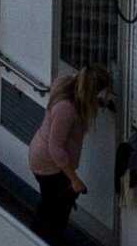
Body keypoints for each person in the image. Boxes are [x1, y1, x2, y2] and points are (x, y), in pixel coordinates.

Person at [27, 62, 105, 236]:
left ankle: (40, 238)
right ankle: (48, 241)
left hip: (43, 156)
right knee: (56, 207)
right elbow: (55, 147)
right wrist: (74, 180)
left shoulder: (64, 84)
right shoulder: (66, 110)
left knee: (49, 202)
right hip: (49, 163)